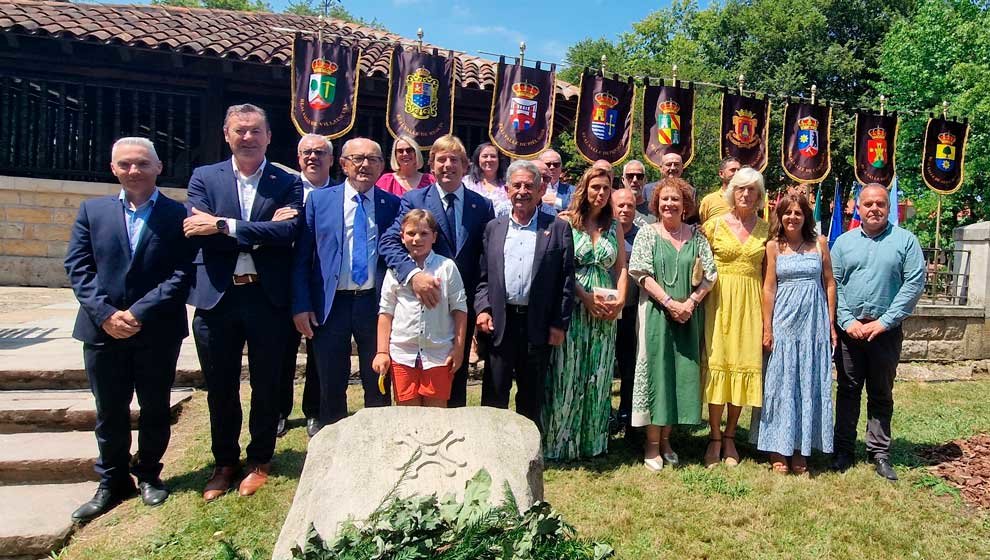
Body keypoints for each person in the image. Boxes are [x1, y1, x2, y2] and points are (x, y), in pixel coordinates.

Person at [64, 137, 193, 521]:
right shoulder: (93, 211)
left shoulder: (177, 214)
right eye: (125, 164)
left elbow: (182, 272)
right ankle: (113, 480)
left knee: (154, 407)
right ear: (113, 169)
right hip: (101, 331)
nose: (133, 171)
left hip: (156, 330)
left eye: (141, 164)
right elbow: (78, 267)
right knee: (110, 411)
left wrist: (138, 312)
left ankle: (150, 474)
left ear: (158, 168)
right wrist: (105, 313)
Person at [184, 104, 302, 501]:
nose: (248, 137)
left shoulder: (286, 182)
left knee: (268, 383)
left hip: (267, 299)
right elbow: (193, 228)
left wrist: (223, 225)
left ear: (269, 136)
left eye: (255, 131)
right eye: (240, 131)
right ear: (226, 134)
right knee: (220, 386)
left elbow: (288, 232)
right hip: (218, 297)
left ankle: (260, 459)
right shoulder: (204, 177)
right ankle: (224, 462)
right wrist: (259, 230)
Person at [292, 138, 401, 430]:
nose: (365, 165)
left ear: (382, 166)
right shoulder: (320, 200)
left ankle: (377, 437)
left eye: (373, 159)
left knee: (377, 375)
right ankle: (331, 437)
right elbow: (303, 257)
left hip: (373, 304)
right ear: (343, 164)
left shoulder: (391, 204)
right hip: (331, 303)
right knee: (331, 377)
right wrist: (301, 305)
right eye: (357, 159)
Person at [380, 134, 495, 408]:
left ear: (465, 166)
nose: (447, 165)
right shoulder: (414, 199)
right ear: (431, 165)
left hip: (459, 308)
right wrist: (414, 275)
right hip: (420, 303)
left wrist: (482, 305)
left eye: (454, 160)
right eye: (441, 159)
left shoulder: (482, 205)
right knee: (415, 388)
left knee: (455, 374)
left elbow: (485, 261)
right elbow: (388, 242)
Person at [830, 184, 925, 481]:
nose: (874, 209)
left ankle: (879, 453)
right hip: (851, 331)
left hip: (885, 332)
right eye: (868, 204)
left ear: (888, 207)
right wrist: (847, 322)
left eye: (880, 204)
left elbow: (913, 284)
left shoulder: (906, 242)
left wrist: (885, 321)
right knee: (847, 391)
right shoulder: (843, 243)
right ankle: (843, 450)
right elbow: (834, 285)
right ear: (858, 208)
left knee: (881, 393)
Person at [476, 160, 575, 429]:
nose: (522, 191)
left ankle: (527, 454)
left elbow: (566, 282)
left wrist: (558, 324)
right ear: (507, 190)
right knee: (495, 392)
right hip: (501, 322)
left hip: (538, 325)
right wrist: (483, 309)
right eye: (516, 185)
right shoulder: (493, 229)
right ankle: (492, 448)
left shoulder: (557, 228)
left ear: (541, 190)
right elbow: (483, 278)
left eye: (529, 186)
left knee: (531, 395)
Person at [628, 178, 717, 471]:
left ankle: (667, 440)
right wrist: (669, 303)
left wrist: (690, 303)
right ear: (656, 203)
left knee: (680, 375)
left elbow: (710, 275)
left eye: (675, 200)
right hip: (656, 314)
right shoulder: (647, 234)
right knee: (658, 373)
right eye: (664, 199)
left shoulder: (697, 236)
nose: (669, 204)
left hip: (688, 316)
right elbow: (640, 272)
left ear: (685, 205)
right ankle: (651, 444)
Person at [543, 166, 627, 460]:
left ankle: (593, 441)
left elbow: (621, 267)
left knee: (598, 372)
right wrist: (585, 297)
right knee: (568, 370)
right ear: (584, 189)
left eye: (606, 189)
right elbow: (563, 268)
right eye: (595, 187)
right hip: (575, 304)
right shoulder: (566, 222)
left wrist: (621, 298)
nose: (601, 193)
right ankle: (561, 442)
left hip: (605, 308)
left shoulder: (613, 225)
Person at [758, 194, 837, 475]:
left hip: (813, 324)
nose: (793, 217)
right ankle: (778, 447)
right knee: (781, 383)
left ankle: (802, 448)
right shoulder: (773, 247)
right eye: (787, 213)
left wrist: (830, 323)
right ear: (780, 216)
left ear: (806, 217)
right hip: (784, 321)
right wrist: (767, 327)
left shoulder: (820, 244)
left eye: (798, 213)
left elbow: (829, 283)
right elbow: (768, 288)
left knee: (808, 382)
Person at [701, 166, 768, 468]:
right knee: (719, 366)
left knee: (743, 365)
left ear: (759, 195)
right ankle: (714, 437)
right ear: (731, 191)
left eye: (751, 189)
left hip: (751, 304)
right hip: (718, 302)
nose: (745, 193)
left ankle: (730, 437)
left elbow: (770, 276)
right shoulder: (713, 225)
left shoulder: (767, 229)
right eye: (740, 188)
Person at [374, 210, 467, 407]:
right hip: (402, 355)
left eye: (424, 234)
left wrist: (458, 350)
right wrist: (382, 352)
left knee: (436, 417)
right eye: (411, 233)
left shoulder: (447, 267)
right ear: (402, 236)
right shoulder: (395, 271)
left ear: (434, 237)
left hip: (438, 354)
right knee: (407, 416)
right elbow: (385, 313)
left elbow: (460, 310)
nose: (417, 239)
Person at [273, 134, 332, 438]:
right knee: (282, 351)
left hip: (321, 282)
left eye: (320, 152)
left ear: (331, 160)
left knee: (318, 352)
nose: (313, 157)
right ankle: (280, 411)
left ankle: (314, 411)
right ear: (298, 158)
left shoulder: (339, 192)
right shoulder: (283, 192)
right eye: (306, 152)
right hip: (283, 280)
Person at [610, 187, 640, 435]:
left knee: (628, 365)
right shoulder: (603, 232)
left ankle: (626, 413)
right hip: (602, 310)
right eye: (620, 205)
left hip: (631, 311)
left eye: (629, 205)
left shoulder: (643, 235)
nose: (625, 210)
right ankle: (603, 413)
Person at [464, 142, 509, 215]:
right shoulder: (466, 182)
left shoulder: (507, 184)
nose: (489, 159)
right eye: (485, 156)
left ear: (499, 160)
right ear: (478, 159)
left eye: (493, 156)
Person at [698, 157, 741, 224]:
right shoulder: (709, 201)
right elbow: (704, 228)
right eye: (733, 170)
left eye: (739, 170)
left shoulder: (746, 199)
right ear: (721, 174)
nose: (737, 173)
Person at [620, 159, 655, 227]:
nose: (635, 180)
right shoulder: (614, 209)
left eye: (639, 177)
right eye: (630, 176)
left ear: (645, 180)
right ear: (623, 180)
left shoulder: (654, 210)